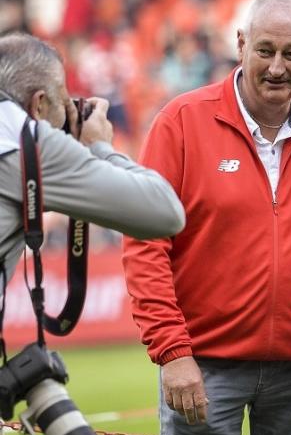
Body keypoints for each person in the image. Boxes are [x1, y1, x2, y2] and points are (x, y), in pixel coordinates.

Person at [122, 0, 291, 435]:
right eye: (265, 51)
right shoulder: (181, 123)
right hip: (204, 367)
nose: (277, 68)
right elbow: (144, 244)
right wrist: (172, 351)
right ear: (241, 44)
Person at [0, 32, 185, 295]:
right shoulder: (25, 142)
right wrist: (99, 146)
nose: (69, 115)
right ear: (38, 105)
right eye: (64, 104)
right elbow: (166, 213)